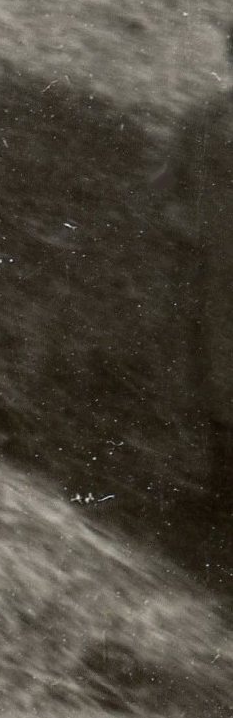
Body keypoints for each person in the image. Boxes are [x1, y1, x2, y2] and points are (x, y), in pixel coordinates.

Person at [165, 27, 233, 506]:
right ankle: (221, 485)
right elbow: (173, 192)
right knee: (216, 366)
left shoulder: (206, 118)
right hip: (216, 266)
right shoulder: (206, 119)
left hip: (217, 261)